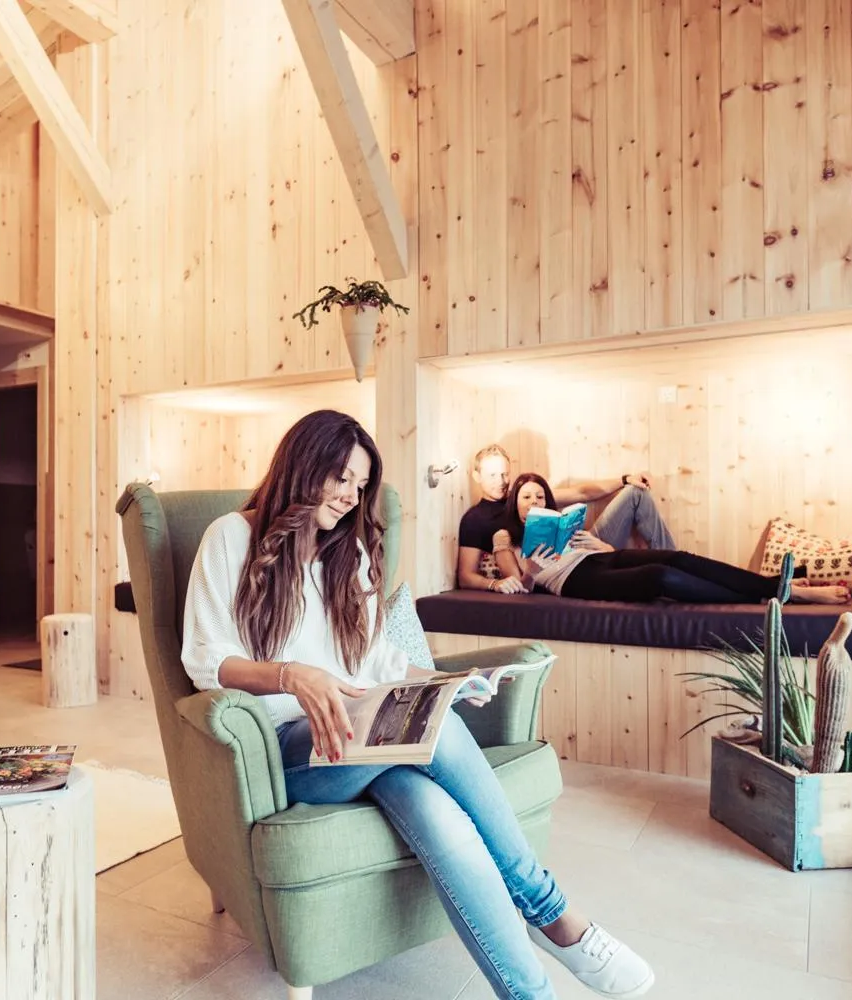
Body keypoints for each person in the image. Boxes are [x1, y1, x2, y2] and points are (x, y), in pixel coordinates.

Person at [181, 410, 656, 1000]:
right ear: (303, 463)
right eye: (341, 478)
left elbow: (378, 662)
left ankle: (530, 993)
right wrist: (290, 676)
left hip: (363, 736)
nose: (350, 497)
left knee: (432, 802)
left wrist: (449, 682)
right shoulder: (231, 537)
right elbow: (205, 660)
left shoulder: (347, 554)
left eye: (360, 486)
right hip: (292, 747)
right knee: (441, 734)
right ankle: (552, 912)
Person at [493, 473, 850, 606]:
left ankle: (775, 586)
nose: (535, 501)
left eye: (540, 496)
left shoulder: (554, 519)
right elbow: (519, 585)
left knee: (676, 558)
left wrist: (603, 547)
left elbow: (584, 498)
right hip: (574, 580)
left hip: (597, 557)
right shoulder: (507, 536)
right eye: (527, 497)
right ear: (515, 502)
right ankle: (779, 593)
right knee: (659, 577)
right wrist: (532, 569)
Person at [456, 444, 674, 593]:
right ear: (477, 476)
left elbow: (582, 493)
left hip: (579, 547)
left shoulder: (526, 493)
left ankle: (671, 559)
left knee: (635, 492)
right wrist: (495, 584)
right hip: (550, 570)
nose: (501, 481)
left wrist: (625, 479)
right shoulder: (475, 520)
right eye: (492, 475)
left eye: (505, 474)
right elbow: (465, 576)